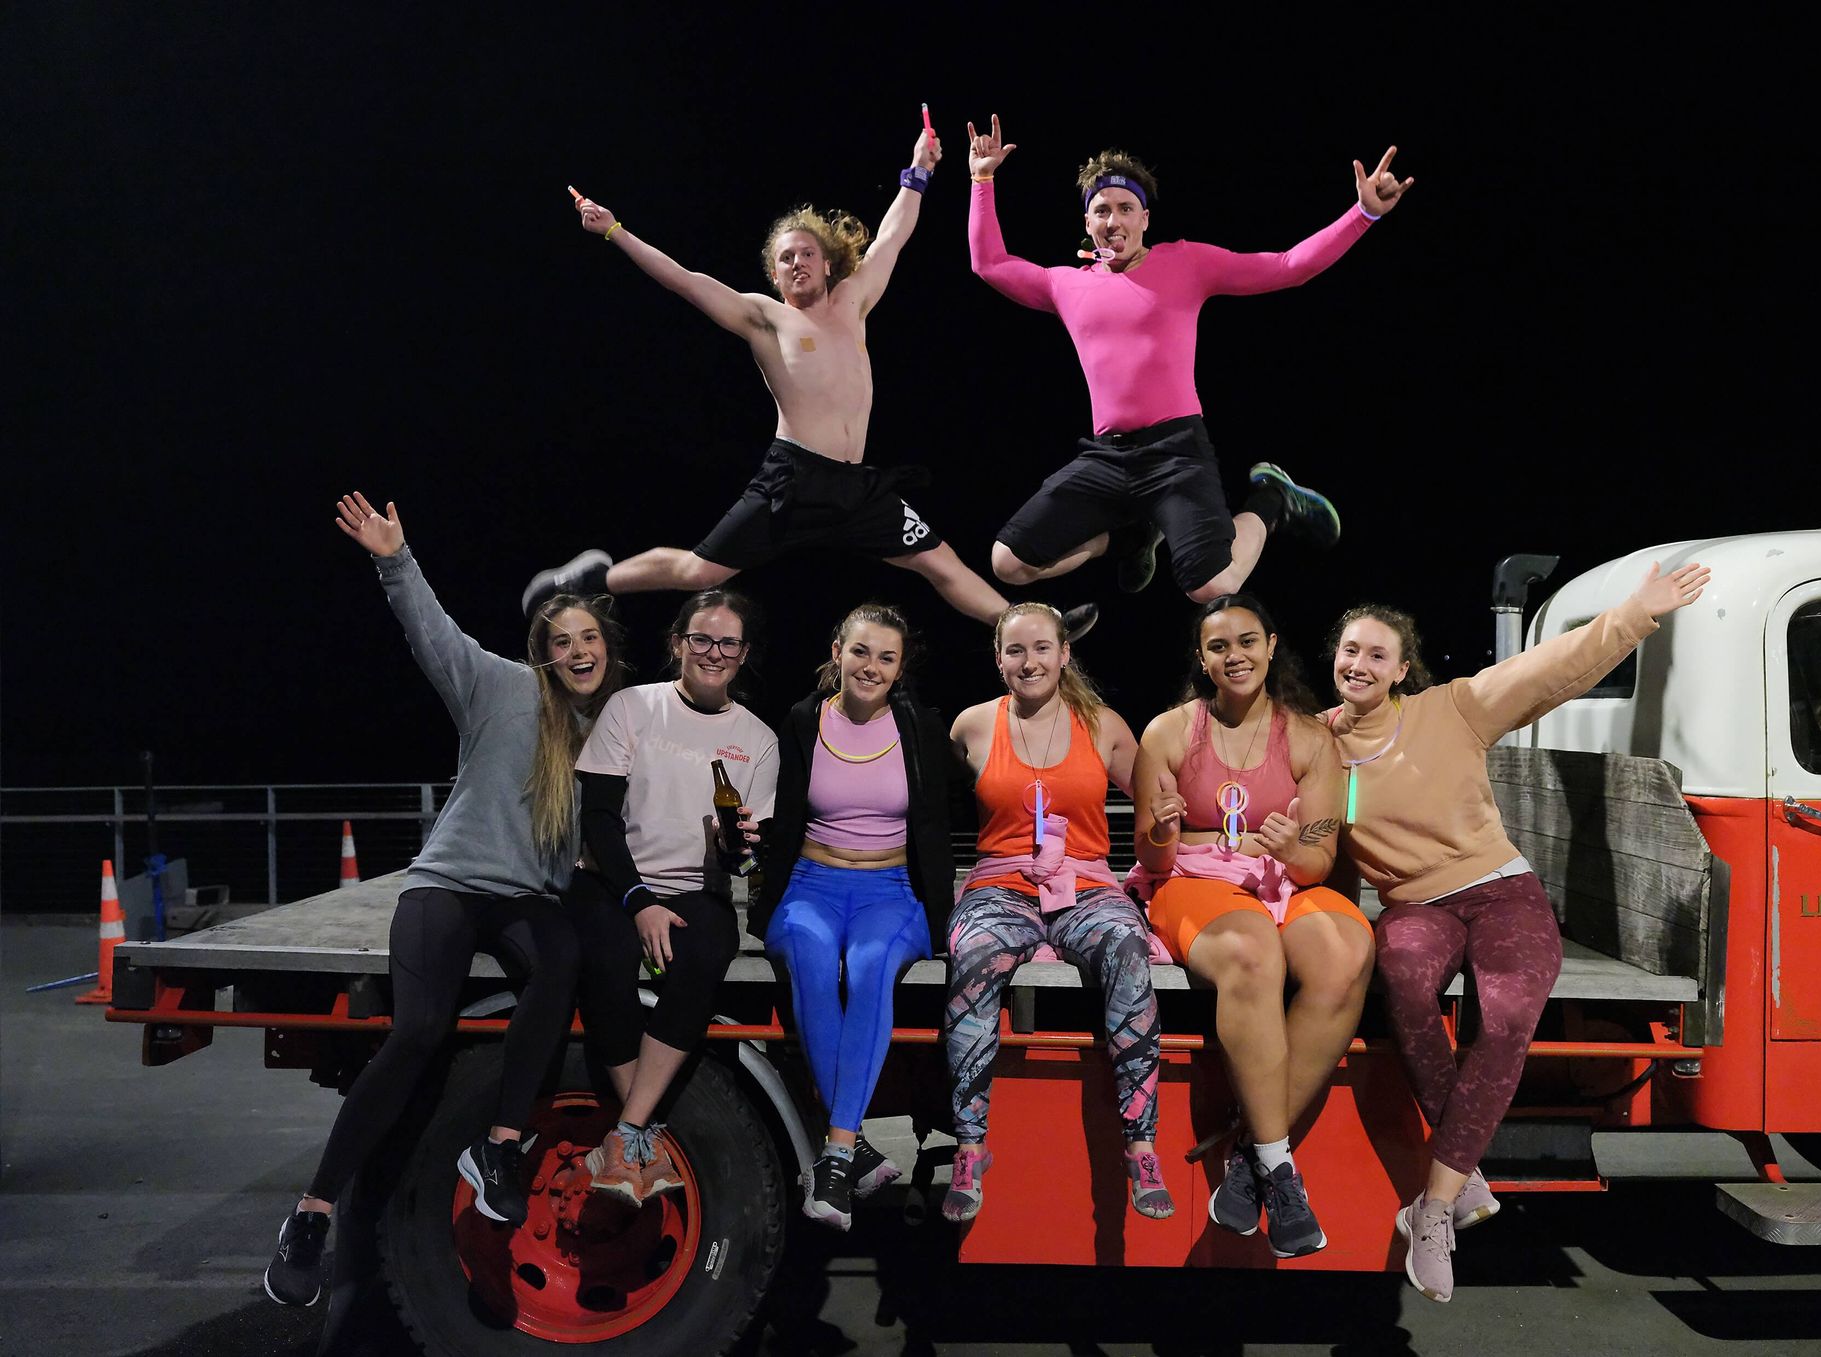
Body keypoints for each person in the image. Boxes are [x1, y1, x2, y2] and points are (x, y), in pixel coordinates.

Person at [523, 114, 1094, 641]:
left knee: (939, 561)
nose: (797, 263)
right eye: (785, 259)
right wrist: (614, 230)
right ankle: (594, 578)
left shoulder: (853, 301)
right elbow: (683, 279)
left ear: (827, 262)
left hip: (857, 489)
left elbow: (893, 234)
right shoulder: (765, 319)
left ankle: (1033, 628)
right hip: (792, 482)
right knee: (700, 571)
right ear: (775, 276)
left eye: (806, 254)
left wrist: (919, 169)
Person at [265, 493, 626, 1308]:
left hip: (524, 897)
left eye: (589, 639)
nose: (577, 651)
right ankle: (312, 1211)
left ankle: (500, 1146)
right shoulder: (501, 688)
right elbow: (432, 634)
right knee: (421, 1028)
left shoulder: (613, 735)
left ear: (607, 649)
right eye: (562, 641)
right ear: (544, 653)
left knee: (561, 958)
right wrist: (394, 559)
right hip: (449, 883)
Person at [1326, 561, 1711, 1302]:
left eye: (1377, 653)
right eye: (1350, 650)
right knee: (1402, 976)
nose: (1360, 664)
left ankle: (1434, 1206)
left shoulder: (1451, 708)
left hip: (1500, 891)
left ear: (1402, 669)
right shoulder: (1318, 743)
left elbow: (1550, 670)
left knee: (1505, 1017)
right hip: (1414, 905)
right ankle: (1464, 1171)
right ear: (1334, 658)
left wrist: (1636, 613)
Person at [965, 115, 1412, 600]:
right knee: (1008, 562)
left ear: (1144, 219)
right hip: (1107, 457)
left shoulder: (1185, 262)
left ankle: (1271, 500)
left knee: (1212, 586)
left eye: (1125, 208)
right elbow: (990, 263)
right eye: (1101, 211)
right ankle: (1129, 538)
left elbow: (1289, 266)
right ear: (1087, 223)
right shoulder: (1064, 283)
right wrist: (982, 179)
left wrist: (1363, 215)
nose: (1113, 221)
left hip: (1176, 452)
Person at [1131, 595, 1373, 1258]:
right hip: (1193, 880)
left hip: (1283, 879)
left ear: (1271, 646)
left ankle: (1251, 1153)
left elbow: (1318, 860)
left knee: (1347, 951)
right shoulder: (1168, 732)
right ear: (1202, 658)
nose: (1234, 655)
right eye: (1218, 646)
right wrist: (1165, 830)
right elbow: (1153, 857)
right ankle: (1281, 1170)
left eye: (1246, 641)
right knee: (1251, 950)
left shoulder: (1310, 738)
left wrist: (1294, 847)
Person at [943, 602, 1167, 1221]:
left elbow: (1158, 803)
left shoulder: (1103, 725)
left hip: (1085, 885)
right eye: (1015, 650)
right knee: (974, 954)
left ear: (1065, 653)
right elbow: (927, 804)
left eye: (1042, 647)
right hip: (1001, 886)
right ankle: (970, 1145)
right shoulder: (971, 727)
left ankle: (1141, 1144)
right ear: (998, 660)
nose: (1029, 661)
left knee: (1126, 948)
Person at [571, 590, 780, 1204]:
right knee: (605, 957)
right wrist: (638, 902)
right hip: (614, 881)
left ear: (743, 654)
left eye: (728, 643)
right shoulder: (632, 707)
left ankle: (629, 1130)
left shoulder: (758, 739)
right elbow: (599, 818)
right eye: (701, 639)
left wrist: (738, 847)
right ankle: (645, 1135)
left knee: (708, 951)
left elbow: (745, 860)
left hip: (694, 889)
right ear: (677, 644)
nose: (714, 653)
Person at [755, 603, 954, 1229]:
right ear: (838, 651)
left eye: (886, 657)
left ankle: (836, 1156)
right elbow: (780, 811)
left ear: (900, 668)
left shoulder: (920, 727)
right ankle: (851, 1147)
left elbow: (939, 824)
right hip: (810, 883)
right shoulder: (802, 720)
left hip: (889, 890)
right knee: (812, 959)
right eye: (861, 651)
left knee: (870, 966)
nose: (871, 666)